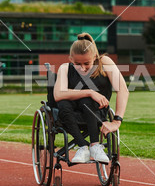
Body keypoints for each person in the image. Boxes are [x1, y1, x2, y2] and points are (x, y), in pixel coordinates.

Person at [54, 33, 129, 163]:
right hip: (70, 114)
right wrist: (89, 92)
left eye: (87, 63)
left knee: (87, 101)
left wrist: (117, 121)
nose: (82, 68)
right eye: (77, 63)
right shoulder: (65, 68)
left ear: (94, 57)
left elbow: (123, 89)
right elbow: (58, 95)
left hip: (96, 111)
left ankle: (95, 146)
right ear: (70, 58)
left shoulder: (104, 62)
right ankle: (83, 147)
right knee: (64, 103)